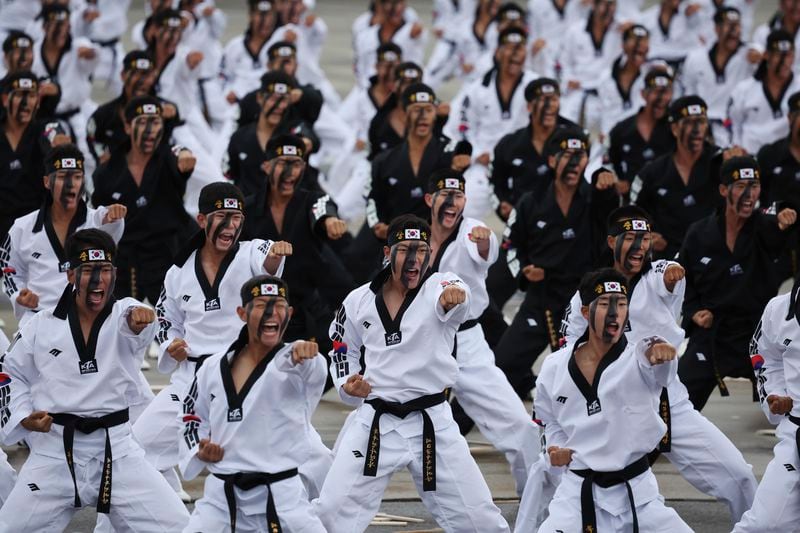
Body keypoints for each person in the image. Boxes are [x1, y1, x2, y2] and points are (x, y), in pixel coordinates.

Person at [556, 206, 757, 525]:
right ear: (611, 242)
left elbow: (669, 275)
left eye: (646, 239)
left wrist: (672, 275)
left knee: (739, 476)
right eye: (631, 239)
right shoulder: (591, 291)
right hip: (613, 411)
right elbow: (567, 351)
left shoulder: (657, 275)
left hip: (668, 401)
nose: (639, 247)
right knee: (570, 483)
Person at [316, 214, 510, 532]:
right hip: (376, 422)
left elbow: (456, 295)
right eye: (406, 249)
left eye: (422, 250)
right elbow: (340, 346)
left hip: (433, 422)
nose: (414, 258)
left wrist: (454, 299)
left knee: (482, 520)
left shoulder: (441, 286)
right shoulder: (359, 300)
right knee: (331, 514)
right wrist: (347, 382)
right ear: (387, 253)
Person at [0, 228, 189, 531]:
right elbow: (11, 374)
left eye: (106, 270)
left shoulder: (125, 316)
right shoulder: (41, 325)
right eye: (88, 270)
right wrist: (23, 417)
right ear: (71, 276)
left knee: (181, 527)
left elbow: (133, 318)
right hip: (55, 452)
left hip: (118, 451)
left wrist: (137, 320)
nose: (99, 279)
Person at [133, 181, 299, 494]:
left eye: (237, 219)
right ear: (201, 220)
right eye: (222, 216)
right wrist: (171, 344)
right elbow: (166, 319)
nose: (231, 225)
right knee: (135, 450)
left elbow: (269, 261)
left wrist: (277, 254)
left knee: (301, 457)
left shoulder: (252, 252)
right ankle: (167, 509)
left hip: (243, 379)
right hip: (190, 381)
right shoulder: (178, 271)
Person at [533, 268, 691, 533]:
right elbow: (549, 421)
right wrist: (555, 447)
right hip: (578, 495)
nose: (615, 312)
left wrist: (663, 355)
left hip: (638, 496)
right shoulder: (554, 367)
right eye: (605, 303)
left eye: (622, 304)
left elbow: (658, 367)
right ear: (585, 313)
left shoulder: (639, 356)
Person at [179, 275, 327, 532]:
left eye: (279, 305)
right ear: (241, 313)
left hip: (282, 498)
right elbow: (191, 416)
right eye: (260, 305)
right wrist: (199, 450)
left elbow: (315, 373)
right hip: (221, 499)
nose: (272, 312)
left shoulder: (296, 363)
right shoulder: (213, 367)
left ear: (290, 313)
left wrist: (306, 353)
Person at [423, 168, 538, 495]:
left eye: (458, 196)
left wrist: (485, 243)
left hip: (468, 341)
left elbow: (485, 247)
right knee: (376, 419)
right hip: (422, 342)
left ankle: (539, 508)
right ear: (430, 199)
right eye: (445, 195)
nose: (452, 202)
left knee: (520, 428)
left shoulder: (471, 229)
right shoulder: (416, 235)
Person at [497, 128, 620, 398]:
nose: (575, 162)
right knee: (502, 365)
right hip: (541, 299)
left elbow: (614, 224)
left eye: (582, 155)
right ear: (552, 160)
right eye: (567, 155)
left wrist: (606, 184)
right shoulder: (531, 201)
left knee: (586, 378)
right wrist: (526, 272)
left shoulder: (595, 199)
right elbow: (510, 245)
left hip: (583, 303)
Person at [678, 155, 797, 410]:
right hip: (713, 335)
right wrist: (693, 312)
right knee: (675, 404)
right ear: (724, 190)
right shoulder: (699, 233)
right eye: (741, 186)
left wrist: (787, 213)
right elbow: (685, 280)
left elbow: (781, 215)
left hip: (757, 335)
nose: (749, 194)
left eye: (754, 186)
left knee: (791, 402)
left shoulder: (766, 227)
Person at [241, 134, 354, 354]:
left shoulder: (312, 199)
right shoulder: (249, 208)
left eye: (297, 164)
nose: (290, 172)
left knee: (341, 356)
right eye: (283, 163)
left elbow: (323, 208)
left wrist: (330, 221)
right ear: (266, 166)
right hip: (261, 312)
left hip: (306, 311)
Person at [0, 144, 125, 328]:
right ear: (47, 182)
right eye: (61, 177)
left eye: (76, 177)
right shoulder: (23, 227)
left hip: (85, 323)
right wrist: (19, 295)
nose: (70, 184)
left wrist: (115, 217)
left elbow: (110, 230)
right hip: (37, 320)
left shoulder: (97, 222)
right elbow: (8, 268)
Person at [91, 95, 196, 303]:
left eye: (156, 122)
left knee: (177, 322)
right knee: (121, 321)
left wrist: (184, 155)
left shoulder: (171, 159)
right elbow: (96, 214)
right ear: (128, 127)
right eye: (142, 122)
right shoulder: (107, 171)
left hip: (167, 255)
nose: (150, 130)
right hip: (127, 259)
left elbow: (180, 154)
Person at [733, 276, 800, 532]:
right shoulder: (779, 309)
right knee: (762, 524)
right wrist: (775, 392)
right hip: (795, 435)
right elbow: (762, 354)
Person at [630, 95, 722, 260]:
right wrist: (646, 235)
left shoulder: (722, 163)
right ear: (674, 129)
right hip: (667, 264)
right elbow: (631, 215)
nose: (697, 129)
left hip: (715, 260)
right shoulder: (652, 173)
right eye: (688, 122)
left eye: (701, 122)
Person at [0, 70, 66, 241]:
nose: (26, 102)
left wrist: (59, 141)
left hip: (35, 230)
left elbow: (54, 132)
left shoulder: (44, 129)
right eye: (20, 95)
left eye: (31, 96)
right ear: (5, 99)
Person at [680, 6, 758, 146]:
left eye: (737, 26)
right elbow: (688, 94)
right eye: (729, 26)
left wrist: (759, 58)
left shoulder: (748, 56)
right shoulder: (696, 57)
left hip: (736, 126)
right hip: (702, 124)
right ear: (716, 28)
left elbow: (761, 55)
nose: (734, 31)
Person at [728, 29, 800, 155]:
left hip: (789, 160)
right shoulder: (744, 89)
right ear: (766, 55)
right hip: (750, 157)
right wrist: (735, 147)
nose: (784, 62)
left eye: (788, 55)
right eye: (778, 55)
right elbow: (731, 123)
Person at [607, 68, 675, 197]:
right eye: (655, 92)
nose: (662, 99)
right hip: (633, 200)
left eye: (666, 92)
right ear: (643, 94)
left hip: (669, 200)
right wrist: (617, 181)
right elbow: (608, 158)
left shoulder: (677, 128)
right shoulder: (622, 129)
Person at [596, 24, 651, 136]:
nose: (639, 45)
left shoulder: (651, 76)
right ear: (623, 45)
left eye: (643, 41)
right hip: (610, 137)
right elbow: (604, 112)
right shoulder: (606, 77)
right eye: (634, 41)